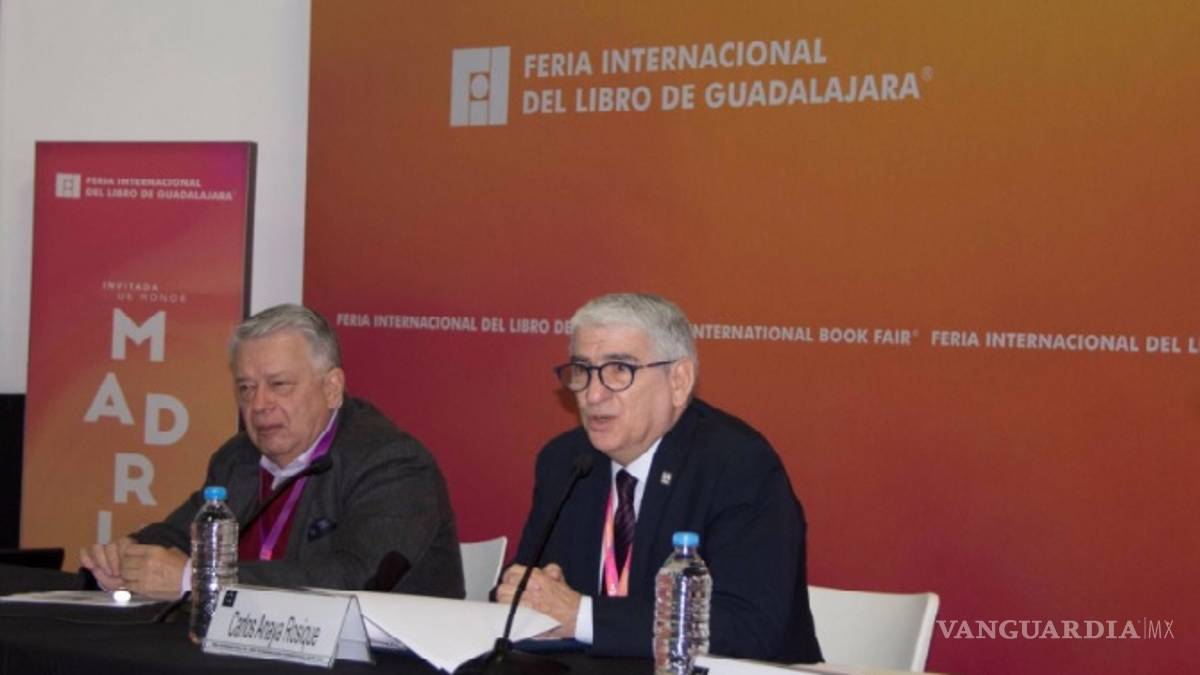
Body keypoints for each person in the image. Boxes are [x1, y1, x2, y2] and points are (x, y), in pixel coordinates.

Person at [497, 293, 822, 662]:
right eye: (583, 370)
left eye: (619, 369)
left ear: (679, 380)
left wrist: (581, 616)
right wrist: (525, 592)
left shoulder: (739, 465)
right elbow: (521, 583)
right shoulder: (566, 460)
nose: (593, 394)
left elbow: (748, 627)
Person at [80, 304, 464, 599]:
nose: (259, 405)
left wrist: (197, 579)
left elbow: (356, 577)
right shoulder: (239, 457)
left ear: (332, 388)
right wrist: (129, 555)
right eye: (246, 388)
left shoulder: (392, 463)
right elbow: (181, 534)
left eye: (279, 385)